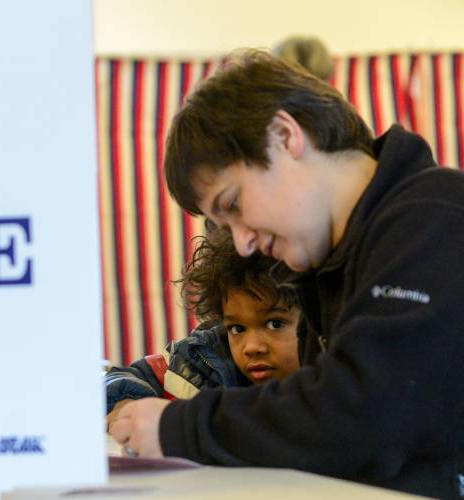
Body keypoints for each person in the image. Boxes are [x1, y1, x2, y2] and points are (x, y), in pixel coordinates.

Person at [108, 49, 464, 499]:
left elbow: (365, 415)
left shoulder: (434, 218)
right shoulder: (327, 266)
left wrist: (181, 427)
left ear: (284, 135)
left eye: (234, 204)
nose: (242, 243)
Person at [105, 228, 300, 428]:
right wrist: (125, 405)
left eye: (275, 324)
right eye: (237, 328)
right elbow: (117, 378)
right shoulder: (197, 359)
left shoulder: (329, 388)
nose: (252, 347)